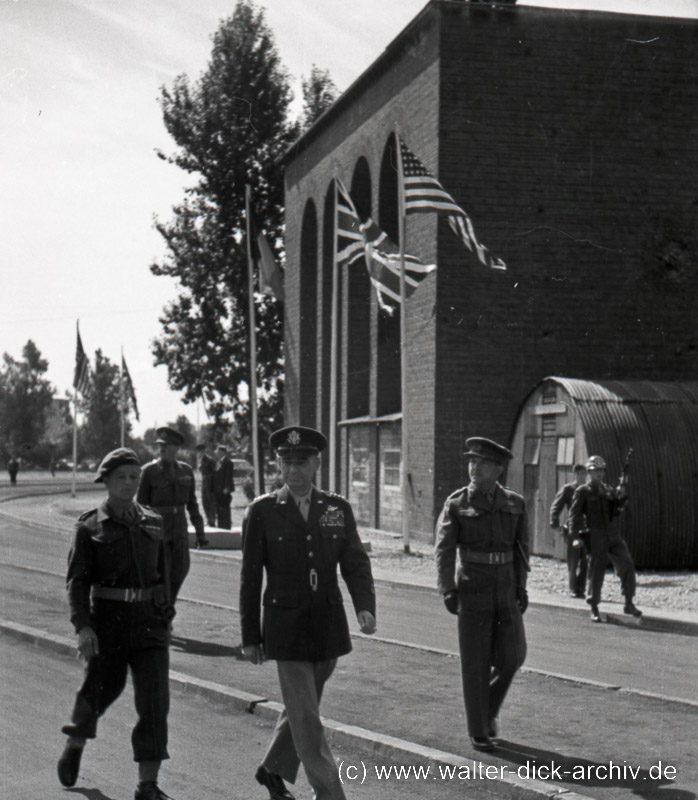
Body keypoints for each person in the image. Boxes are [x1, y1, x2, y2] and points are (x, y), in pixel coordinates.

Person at [240, 425, 376, 800]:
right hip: (285, 628)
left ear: (317, 463)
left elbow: (355, 563)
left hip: (327, 626)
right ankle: (330, 793)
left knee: (303, 710)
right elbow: (250, 579)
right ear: (279, 465)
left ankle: (271, 769)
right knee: (308, 720)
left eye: (302, 462)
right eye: (287, 462)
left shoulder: (336, 509)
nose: (294, 470)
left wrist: (365, 606)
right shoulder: (263, 511)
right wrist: (251, 637)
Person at [57, 448, 175, 800]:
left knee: (155, 702)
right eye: (121, 477)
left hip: (149, 626)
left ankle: (147, 785)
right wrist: (83, 627)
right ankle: (76, 738)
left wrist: (166, 615)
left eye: (134, 477)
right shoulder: (90, 526)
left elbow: (163, 577)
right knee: (100, 690)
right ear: (106, 482)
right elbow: (77, 581)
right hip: (108, 625)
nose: (128, 484)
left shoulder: (152, 522)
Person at [435, 437, 529, 753]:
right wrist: (447, 588)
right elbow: (444, 550)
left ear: (499, 469)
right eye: (472, 461)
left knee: (513, 656)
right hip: (472, 586)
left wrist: (521, 586)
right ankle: (479, 728)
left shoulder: (515, 503)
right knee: (475, 661)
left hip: (505, 587)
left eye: (483, 463)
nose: (474, 467)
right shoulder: (457, 503)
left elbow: (521, 550)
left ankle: (485, 709)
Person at [137, 426, 208, 601]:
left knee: (181, 570)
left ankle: (167, 607)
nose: (162, 449)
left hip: (179, 532)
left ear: (176, 449)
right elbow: (140, 506)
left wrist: (200, 533)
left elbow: (192, 504)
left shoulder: (186, 471)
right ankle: (163, 616)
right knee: (160, 576)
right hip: (157, 532)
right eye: (160, 445)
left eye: (166, 446)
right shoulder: (149, 472)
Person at [568, 455, 641, 622]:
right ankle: (594, 606)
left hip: (613, 535)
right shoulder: (583, 492)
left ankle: (628, 602)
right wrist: (575, 537)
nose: (598, 474)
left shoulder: (608, 490)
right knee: (596, 571)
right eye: (595, 471)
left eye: (601, 470)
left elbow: (617, 510)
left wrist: (622, 496)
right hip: (596, 536)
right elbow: (574, 515)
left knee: (627, 565)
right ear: (588, 472)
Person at [550, 463, 588, 598]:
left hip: (587, 530)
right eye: (579, 474)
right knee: (573, 560)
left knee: (585, 561)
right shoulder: (568, 489)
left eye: (583, 473)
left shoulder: (590, 489)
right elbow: (556, 506)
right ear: (575, 475)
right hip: (573, 529)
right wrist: (554, 521)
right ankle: (573, 588)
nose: (581, 476)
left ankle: (581, 589)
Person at [212, 444, 235, 530]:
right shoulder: (219, 462)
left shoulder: (228, 462)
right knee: (220, 508)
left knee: (225, 508)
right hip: (218, 490)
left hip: (224, 490)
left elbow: (228, 476)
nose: (216, 453)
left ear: (222, 452)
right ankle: (221, 525)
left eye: (217, 452)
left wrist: (226, 488)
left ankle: (226, 526)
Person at [195, 443, 216, 527]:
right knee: (204, 501)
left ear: (204, 451)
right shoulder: (201, 460)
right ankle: (208, 519)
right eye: (199, 451)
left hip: (209, 481)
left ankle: (212, 520)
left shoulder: (210, 460)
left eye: (201, 451)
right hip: (204, 481)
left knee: (210, 500)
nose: (200, 453)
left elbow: (214, 471)